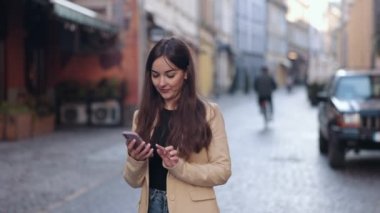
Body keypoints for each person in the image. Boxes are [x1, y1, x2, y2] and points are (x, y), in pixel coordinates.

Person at [123, 37, 231, 213]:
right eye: (155, 75)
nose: (162, 83)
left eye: (170, 75)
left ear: (186, 73)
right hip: (151, 206)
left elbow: (223, 171)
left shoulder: (209, 113)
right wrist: (136, 159)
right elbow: (132, 181)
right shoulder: (141, 116)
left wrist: (179, 167)